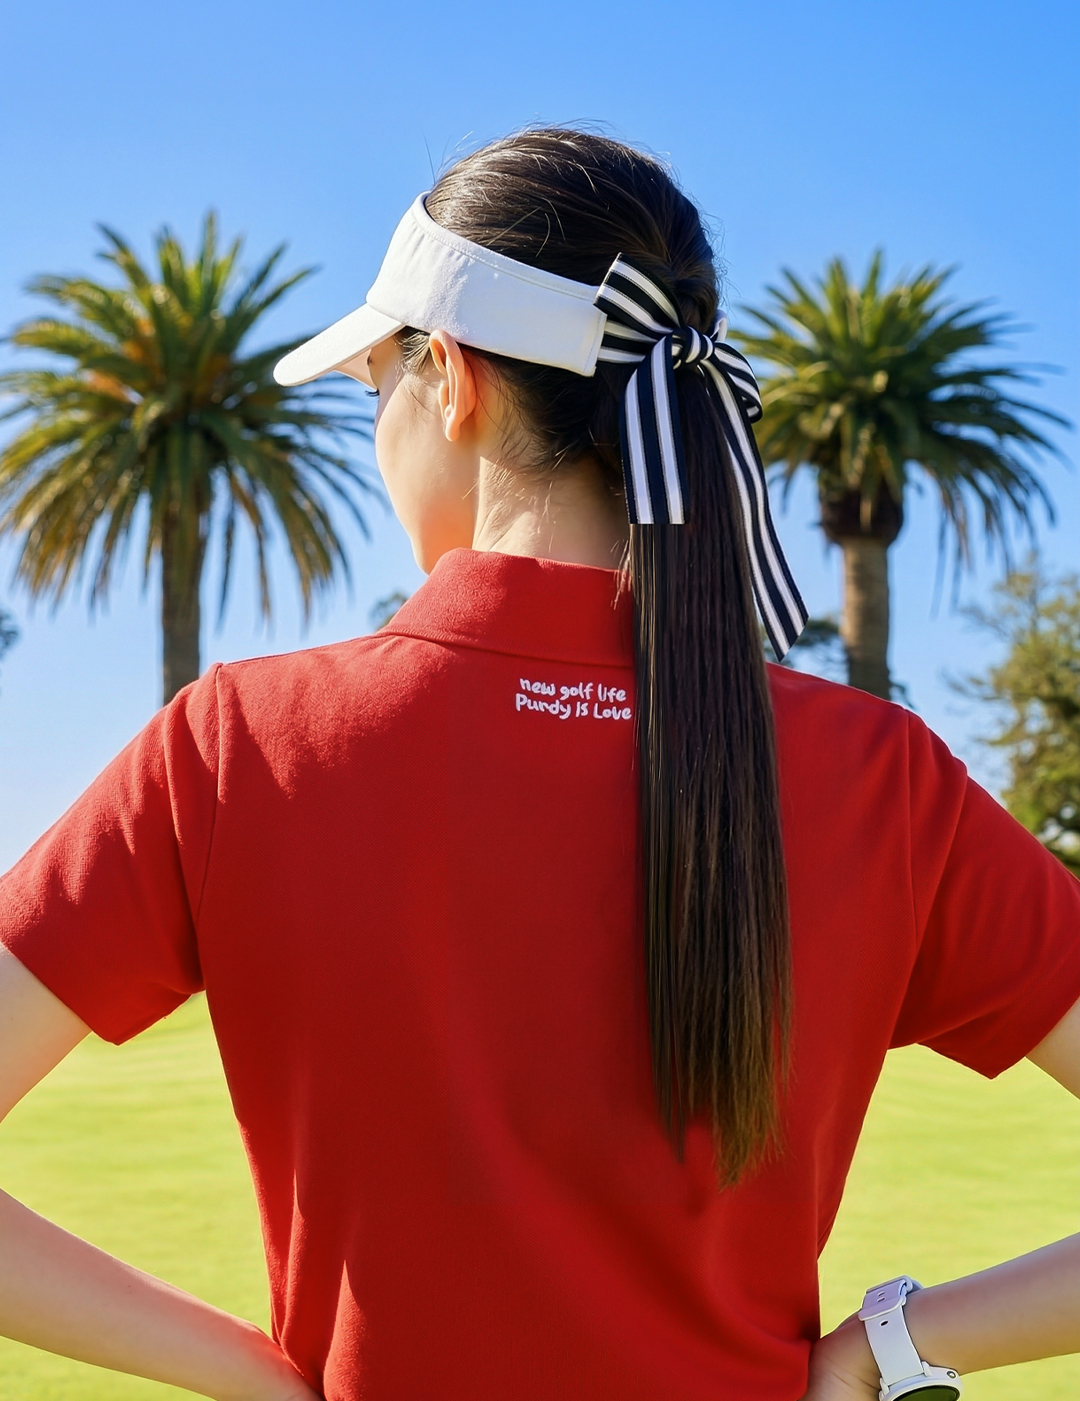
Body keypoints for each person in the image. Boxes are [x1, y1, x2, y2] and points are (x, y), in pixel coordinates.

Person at [0, 127, 1077, 1401]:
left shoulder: (239, 746)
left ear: (452, 380)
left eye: (375, 385)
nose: (377, 428)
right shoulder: (884, 775)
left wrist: (257, 1375)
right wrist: (890, 1346)